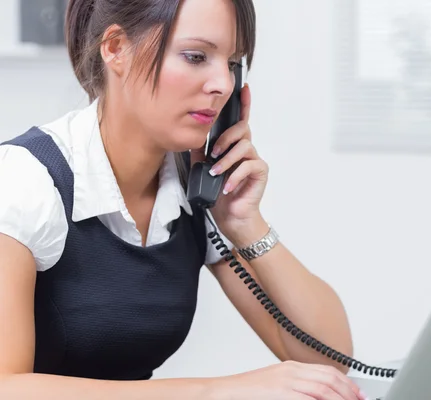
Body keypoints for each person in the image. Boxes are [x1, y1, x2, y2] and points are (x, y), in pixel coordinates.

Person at [0, 0, 369, 399]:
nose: (223, 85)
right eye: (196, 57)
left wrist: (245, 224)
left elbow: (327, 361)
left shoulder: (191, 189)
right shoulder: (25, 179)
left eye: (231, 63)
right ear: (115, 49)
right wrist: (216, 391)